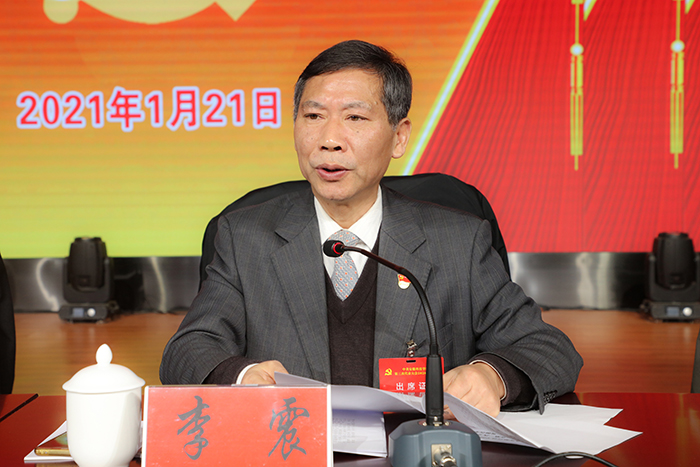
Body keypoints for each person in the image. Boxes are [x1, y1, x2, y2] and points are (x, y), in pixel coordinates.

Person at [160, 40, 582, 416]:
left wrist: (492, 376)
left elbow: (550, 350)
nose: (329, 139)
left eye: (355, 118)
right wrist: (241, 375)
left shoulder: (457, 241)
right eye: (313, 115)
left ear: (399, 138)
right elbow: (187, 350)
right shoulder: (245, 237)